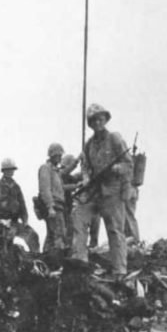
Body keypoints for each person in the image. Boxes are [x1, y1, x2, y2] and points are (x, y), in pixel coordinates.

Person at [70, 104, 132, 274]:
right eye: (94, 120)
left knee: (114, 230)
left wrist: (117, 168)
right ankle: (80, 260)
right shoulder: (89, 144)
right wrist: (86, 178)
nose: (97, 122)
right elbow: (85, 166)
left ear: (105, 120)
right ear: (90, 124)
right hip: (94, 192)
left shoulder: (115, 138)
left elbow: (128, 163)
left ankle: (119, 269)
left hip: (112, 191)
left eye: (100, 119)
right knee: (79, 217)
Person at [37, 143, 67, 253]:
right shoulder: (46, 169)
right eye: (59, 155)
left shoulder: (55, 171)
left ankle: (46, 259)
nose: (60, 158)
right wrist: (50, 207)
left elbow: (60, 188)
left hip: (58, 206)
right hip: (54, 207)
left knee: (52, 235)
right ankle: (56, 260)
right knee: (58, 234)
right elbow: (45, 189)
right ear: (54, 155)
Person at [0, 158, 28, 225]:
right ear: (3, 171)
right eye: (7, 170)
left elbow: (22, 205)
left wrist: (25, 220)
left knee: (31, 234)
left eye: (11, 169)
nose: (10, 172)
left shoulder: (16, 187)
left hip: (14, 223)